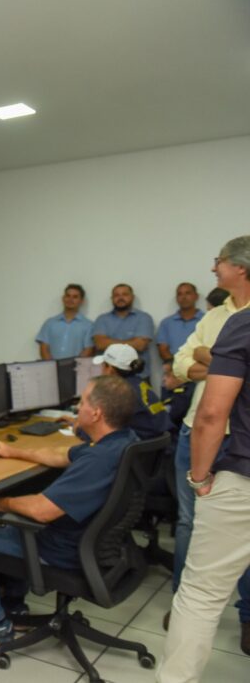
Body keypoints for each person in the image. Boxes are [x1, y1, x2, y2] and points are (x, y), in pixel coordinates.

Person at [0, 375, 136, 644]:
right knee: (15, 518)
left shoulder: (98, 460)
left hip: (61, 550)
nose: (77, 408)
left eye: (81, 403)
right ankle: (14, 605)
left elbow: (41, 511)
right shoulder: (122, 441)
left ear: (97, 413)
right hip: (97, 545)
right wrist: (14, 451)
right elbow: (61, 455)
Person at [158, 308, 250, 681]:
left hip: (244, 480)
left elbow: (211, 414)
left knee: (201, 595)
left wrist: (199, 480)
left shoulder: (243, 323)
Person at [166, 236, 250, 642]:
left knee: (241, 532)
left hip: (236, 439)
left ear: (241, 268)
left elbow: (204, 364)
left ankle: (248, 615)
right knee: (188, 522)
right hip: (193, 433)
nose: (213, 268)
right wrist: (217, 363)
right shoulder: (216, 314)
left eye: (219, 262)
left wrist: (208, 357)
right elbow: (180, 362)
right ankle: (184, 603)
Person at [94, 344, 170, 440]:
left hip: (140, 447)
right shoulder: (138, 383)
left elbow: (102, 429)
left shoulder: (119, 392)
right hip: (159, 446)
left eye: (103, 365)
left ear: (110, 369)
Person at [92, 283, 155, 377]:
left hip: (138, 376)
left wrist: (108, 342)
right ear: (112, 298)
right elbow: (100, 344)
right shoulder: (102, 319)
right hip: (108, 377)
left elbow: (140, 345)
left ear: (132, 297)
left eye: (125, 294)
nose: (120, 298)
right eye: (116, 295)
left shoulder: (144, 318)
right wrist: (132, 342)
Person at [35, 283, 94, 360]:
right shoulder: (50, 323)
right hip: (51, 369)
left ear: (81, 300)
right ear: (63, 298)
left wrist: (74, 368)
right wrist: (51, 367)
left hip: (76, 369)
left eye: (75, 297)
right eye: (68, 296)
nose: (70, 299)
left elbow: (88, 350)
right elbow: (44, 348)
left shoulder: (89, 325)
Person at [156, 283, 203, 362]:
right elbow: (163, 350)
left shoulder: (206, 320)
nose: (184, 297)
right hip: (173, 369)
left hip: (202, 369)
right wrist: (178, 366)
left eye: (188, 293)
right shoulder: (166, 323)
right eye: (180, 294)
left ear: (196, 296)